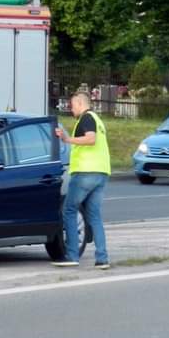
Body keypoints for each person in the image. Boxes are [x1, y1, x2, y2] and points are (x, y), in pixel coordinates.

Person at [53, 91, 111, 269]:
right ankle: (102, 258)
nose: (71, 109)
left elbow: (90, 139)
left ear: (79, 103)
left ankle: (72, 255)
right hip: (101, 173)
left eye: (72, 105)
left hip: (85, 172)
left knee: (69, 211)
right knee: (94, 215)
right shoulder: (98, 120)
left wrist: (66, 139)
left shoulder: (87, 118)